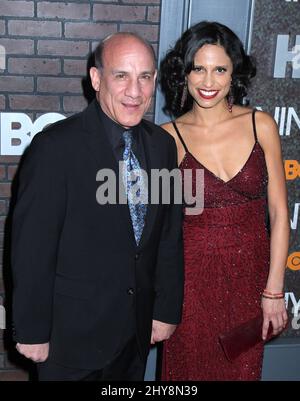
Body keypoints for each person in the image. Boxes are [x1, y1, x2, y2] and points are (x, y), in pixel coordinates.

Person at [11, 32, 184, 381]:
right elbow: (32, 249)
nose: (135, 91)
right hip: (69, 341)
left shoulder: (163, 146)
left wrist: (165, 309)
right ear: (96, 79)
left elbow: (168, 236)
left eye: (145, 77)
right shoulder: (54, 148)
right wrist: (31, 331)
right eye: (121, 76)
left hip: (133, 336)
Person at [159, 21, 289, 381]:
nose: (208, 81)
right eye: (198, 68)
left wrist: (274, 290)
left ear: (235, 74)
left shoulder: (260, 124)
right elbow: (162, 229)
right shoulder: (167, 138)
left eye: (220, 69)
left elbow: (279, 214)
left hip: (251, 287)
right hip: (191, 289)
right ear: (184, 73)